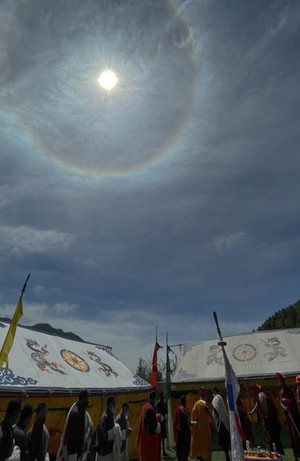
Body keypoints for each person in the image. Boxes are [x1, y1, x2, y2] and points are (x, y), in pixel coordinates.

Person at [57, 390, 93, 461]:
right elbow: (71, 436)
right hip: (73, 452)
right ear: (82, 398)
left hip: (78, 451)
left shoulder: (82, 411)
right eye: (87, 398)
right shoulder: (75, 413)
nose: (88, 401)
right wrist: (73, 453)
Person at [248, 384, 284, 454]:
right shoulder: (260, 398)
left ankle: (277, 451)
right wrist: (252, 412)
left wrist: (266, 417)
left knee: (274, 437)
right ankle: (273, 451)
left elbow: (265, 409)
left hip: (271, 421)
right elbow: (257, 405)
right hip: (268, 421)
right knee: (270, 437)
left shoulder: (264, 397)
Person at [277, 373, 300, 461]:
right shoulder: (281, 392)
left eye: (280, 382)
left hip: (294, 417)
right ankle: (295, 455)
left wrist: (286, 401)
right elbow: (281, 404)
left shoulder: (288, 391)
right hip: (289, 418)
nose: (279, 384)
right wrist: (284, 405)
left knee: (296, 436)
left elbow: (292, 402)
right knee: (292, 437)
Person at [137, 391, 161, 461]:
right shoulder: (150, 408)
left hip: (145, 438)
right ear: (154, 398)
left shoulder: (146, 406)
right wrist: (157, 426)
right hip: (149, 440)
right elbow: (151, 427)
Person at [97, 396, 122, 461]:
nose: (115, 406)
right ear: (109, 405)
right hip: (105, 452)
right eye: (113, 404)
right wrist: (113, 432)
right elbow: (102, 436)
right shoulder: (104, 417)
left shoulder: (111, 416)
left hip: (111, 451)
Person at [190, 391, 212, 461]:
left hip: (198, 428)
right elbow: (209, 413)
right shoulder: (204, 404)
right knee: (206, 443)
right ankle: (205, 456)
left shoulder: (196, 404)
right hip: (205, 427)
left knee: (199, 443)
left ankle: (200, 455)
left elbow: (193, 418)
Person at [211, 389, 230, 461]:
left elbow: (216, 410)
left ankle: (227, 457)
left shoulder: (216, 399)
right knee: (225, 442)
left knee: (224, 442)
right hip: (223, 422)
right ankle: (227, 456)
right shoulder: (219, 398)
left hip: (221, 423)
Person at [173, 395, 191, 461]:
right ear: (185, 401)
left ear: (180, 402)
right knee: (185, 450)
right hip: (185, 433)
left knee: (180, 451)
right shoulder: (185, 410)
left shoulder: (178, 409)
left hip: (179, 433)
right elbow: (188, 423)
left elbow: (175, 423)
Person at [156, 393, 167, 457]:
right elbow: (157, 412)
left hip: (162, 421)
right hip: (159, 421)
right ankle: (160, 451)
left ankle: (163, 451)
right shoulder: (158, 404)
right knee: (159, 436)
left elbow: (165, 411)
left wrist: (165, 417)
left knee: (163, 437)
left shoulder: (163, 403)